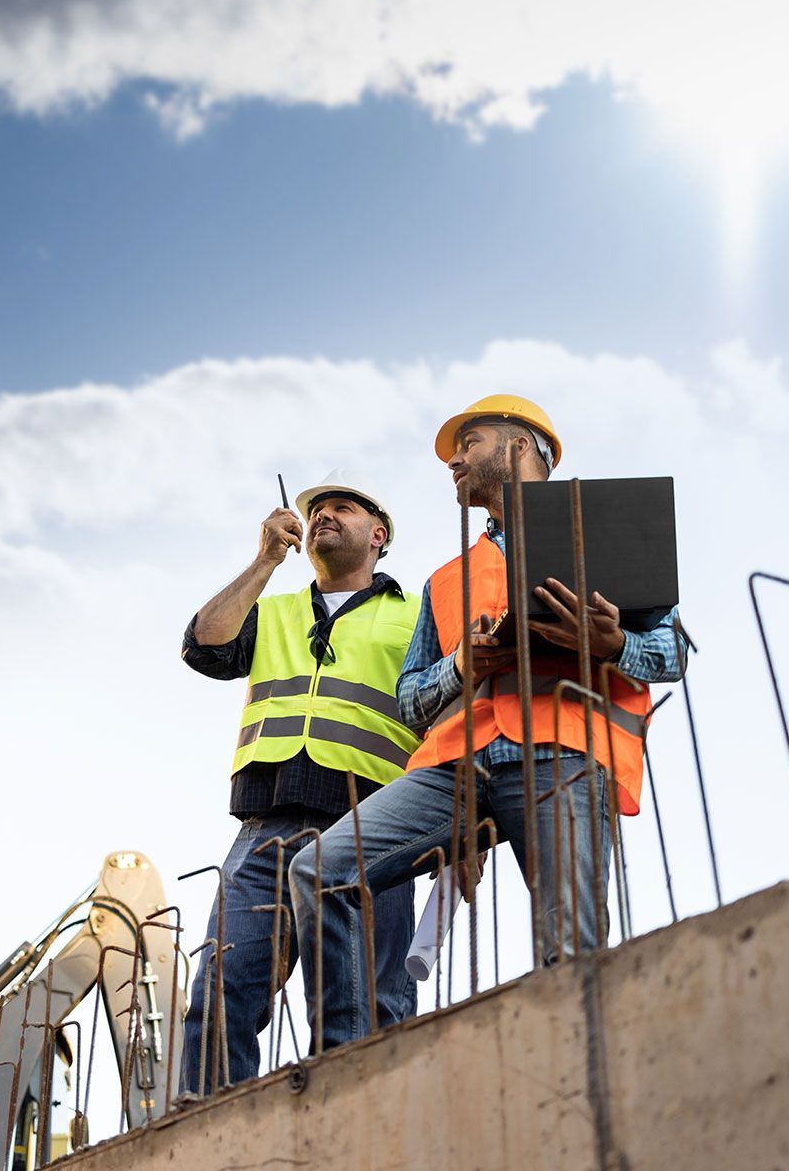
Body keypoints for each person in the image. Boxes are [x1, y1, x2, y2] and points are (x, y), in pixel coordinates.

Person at [289, 395, 685, 1051]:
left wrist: (611, 644)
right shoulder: (448, 578)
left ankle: (577, 1079)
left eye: (470, 441)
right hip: (459, 771)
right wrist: (462, 666)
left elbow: (674, 653)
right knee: (316, 870)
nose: (454, 458)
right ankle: (342, 1060)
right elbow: (413, 699)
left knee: (570, 956)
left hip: (564, 757)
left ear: (523, 446)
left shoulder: (605, 532)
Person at [178, 469, 420, 1094]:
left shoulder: (416, 616)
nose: (325, 516)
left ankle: (364, 1134)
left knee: (367, 1007)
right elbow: (204, 646)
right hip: (267, 828)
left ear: (379, 535)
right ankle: (210, 1138)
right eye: (317, 509)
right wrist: (264, 561)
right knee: (220, 995)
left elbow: (448, 709)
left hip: (373, 825)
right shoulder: (273, 611)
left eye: (344, 507)